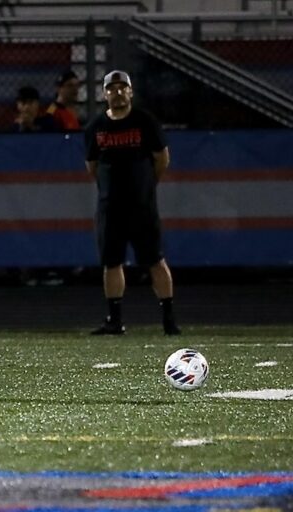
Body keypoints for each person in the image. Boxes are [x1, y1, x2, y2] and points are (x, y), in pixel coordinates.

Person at [84, 70, 181, 336]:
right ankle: (114, 320)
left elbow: (162, 159)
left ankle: (168, 320)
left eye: (121, 88)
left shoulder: (144, 121)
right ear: (104, 94)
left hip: (141, 206)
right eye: (111, 88)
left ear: (130, 91)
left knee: (155, 259)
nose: (117, 93)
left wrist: (146, 187)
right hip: (110, 207)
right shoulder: (96, 127)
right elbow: (92, 166)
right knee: (111, 262)